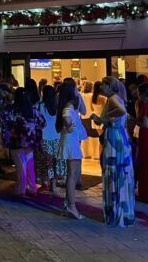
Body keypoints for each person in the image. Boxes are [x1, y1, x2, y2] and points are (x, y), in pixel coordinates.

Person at [91, 76, 135, 227]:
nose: (101, 87)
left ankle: (115, 214)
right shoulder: (117, 98)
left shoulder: (113, 99)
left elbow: (121, 111)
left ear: (109, 86)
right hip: (120, 137)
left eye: (103, 84)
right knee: (120, 173)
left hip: (114, 138)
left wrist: (104, 119)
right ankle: (121, 212)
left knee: (113, 172)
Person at [1, 87, 45, 196]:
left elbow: (3, 120)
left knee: (21, 166)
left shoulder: (11, 110)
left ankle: (21, 190)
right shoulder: (33, 110)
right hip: (30, 141)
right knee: (30, 165)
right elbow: (42, 123)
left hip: (16, 141)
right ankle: (32, 188)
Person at [56, 84, 84, 219]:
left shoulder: (71, 106)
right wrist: (69, 125)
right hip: (71, 142)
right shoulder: (67, 108)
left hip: (72, 141)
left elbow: (82, 110)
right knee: (72, 175)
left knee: (73, 174)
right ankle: (71, 206)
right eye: (75, 90)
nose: (77, 91)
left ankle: (69, 204)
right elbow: (66, 117)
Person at [35, 85, 63, 192]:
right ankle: (54, 184)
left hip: (44, 137)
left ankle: (45, 182)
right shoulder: (58, 106)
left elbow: (37, 123)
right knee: (54, 161)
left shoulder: (40, 106)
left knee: (45, 161)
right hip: (57, 137)